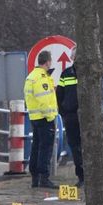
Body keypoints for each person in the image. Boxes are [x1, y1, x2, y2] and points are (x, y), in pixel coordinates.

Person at [24, 50, 59, 189]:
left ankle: (35, 178)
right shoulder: (42, 78)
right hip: (45, 118)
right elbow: (44, 100)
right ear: (48, 62)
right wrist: (51, 117)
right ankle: (44, 178)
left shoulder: (30, 77)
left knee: (36, 147)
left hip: (34, 117)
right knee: (46, 148)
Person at [56, 49, 84, 188]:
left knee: (81, 147)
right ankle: (82, 176)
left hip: (84, 117)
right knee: (75, 146)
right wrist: (64, 112)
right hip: (72, 116)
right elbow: (59, 95)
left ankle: (84, 177)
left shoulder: (85, 73)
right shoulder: (66, 73)